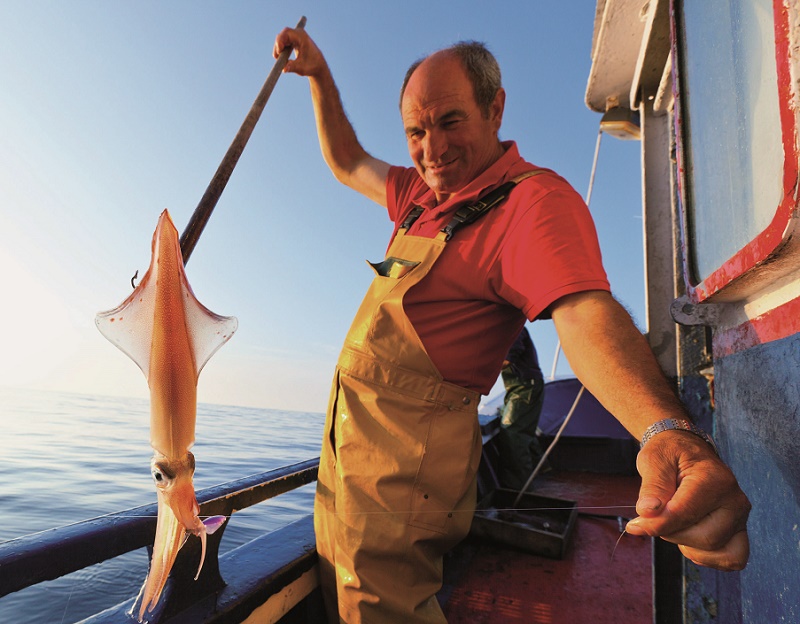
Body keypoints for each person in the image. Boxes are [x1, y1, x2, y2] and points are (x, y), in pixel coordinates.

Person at [273, 27, 751, 624]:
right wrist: (319, 75)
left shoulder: (532, 202)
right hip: (347, 454)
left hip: (404, 478)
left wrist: (665, 432)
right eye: (416, 133)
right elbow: (346, 160)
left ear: (495, 107)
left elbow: (583, 313)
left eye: (450, 121)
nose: (433, 149)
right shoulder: (416, 198)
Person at [497, 326, 547, 491]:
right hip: (520, 386)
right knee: (522, 427)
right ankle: (542, 469)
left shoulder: (512, 328)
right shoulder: (510, 327)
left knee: (513, 431)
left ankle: (519, 488)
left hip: (525, 386)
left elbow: (506, 361)